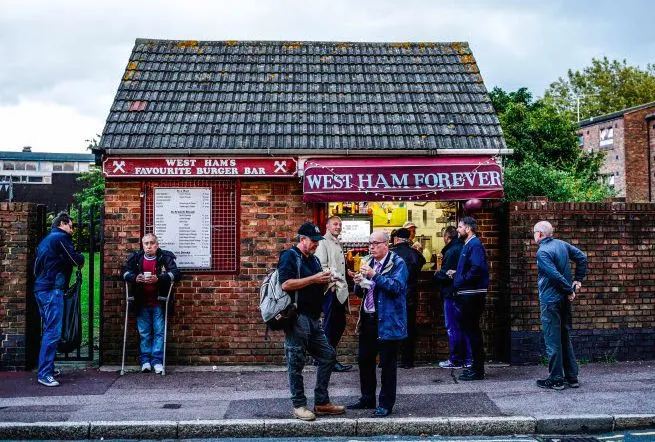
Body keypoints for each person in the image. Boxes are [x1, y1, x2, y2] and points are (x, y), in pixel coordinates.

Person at [278, 222, 345, 421]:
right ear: (302, 240)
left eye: (318, 241)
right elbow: (286, 284)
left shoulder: (314, 260)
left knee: (328, 355)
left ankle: (322, 402)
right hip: (297, 318)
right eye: (313, 241)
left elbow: (315, 285)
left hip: (315, 319)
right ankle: (299, 405)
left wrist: (328, 281)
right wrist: (315, 278)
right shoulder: (290, 256)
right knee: (296, 362)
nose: (316, 244)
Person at [348, 230, 408, 418]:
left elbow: (397, 288)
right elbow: (363, 292)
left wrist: (374, 276)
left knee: (387, 365)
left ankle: (385, 404)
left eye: (375, 243)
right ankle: (367, 398)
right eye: (370, 243)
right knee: (364, 360)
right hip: (368, 319)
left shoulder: (398, 263)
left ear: (386, 244)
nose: (371, 246)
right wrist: (359, 283)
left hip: (387, 320)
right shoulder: (368, 261)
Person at [533, 220, 587, 390]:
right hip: (564, 300)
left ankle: (556, 379)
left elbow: (554, 275)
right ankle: (572, 377)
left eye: (534, 232)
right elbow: (582, 257)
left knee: (552, 340)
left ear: (540, 234)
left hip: (551, 301)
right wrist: (577, 280)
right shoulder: (562, 245)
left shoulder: (542, 252)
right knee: (564, 336)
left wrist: (569, 290)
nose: (533, 236)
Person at [33, 212, 85, 387]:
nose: (72, 229)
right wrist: (82, 258)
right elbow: (75, 260)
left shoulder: (46, 240)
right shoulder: (60, 238)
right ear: (63, 223)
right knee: (52, 331)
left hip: (41, 289)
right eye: (71, 225)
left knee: (48, 329)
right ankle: (44, 373)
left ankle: (48, 367)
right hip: (52, 290)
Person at [122, 233, 181, 375]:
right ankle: (145, 361)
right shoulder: (136, 257)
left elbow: (176, 273)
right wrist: (135, 277)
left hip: (159, 301)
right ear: (142, 245)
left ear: (157, 244)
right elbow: (123, 273)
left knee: (159, 332)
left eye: (151, 243)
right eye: (146, 243)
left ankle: (157, 361)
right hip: (141, 301)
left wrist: (160, 278)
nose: (149, 246)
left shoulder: (165, 257)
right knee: (144, 333)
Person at [449, 216, 489, 381]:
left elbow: (477, 267)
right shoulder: (470, 244)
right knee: (471, 331)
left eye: (459, 227)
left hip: (471, 294)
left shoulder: (474, 244)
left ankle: (478, 370)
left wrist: (461, 279)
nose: (457, 230)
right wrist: (458, 275)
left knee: (472, 331)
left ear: (468, 228)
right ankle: (476, 367)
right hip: (469, 293)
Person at [314, 216, 352, 373]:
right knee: (332, 326)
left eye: (340, 224)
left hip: (340, 290)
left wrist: (347, 272)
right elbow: (321, 266)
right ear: (327, 226)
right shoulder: (323, 242)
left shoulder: (336, 242)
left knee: (338, 325)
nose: (338, 226)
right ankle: (327, 361)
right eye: (335, 224)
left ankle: (325, 358)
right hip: (333, 289)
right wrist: (333, 281)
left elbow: (336, 265)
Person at [433, 226, 471, 369]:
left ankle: (456, 359)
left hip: (451, 293)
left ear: (446, 237)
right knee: (464, 327)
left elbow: (446, 275)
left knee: (453, 327)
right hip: (462, 293)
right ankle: (468, 359)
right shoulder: (463, 247)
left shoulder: (451, 251)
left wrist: (437, 274)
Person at [391, 228, 426, 369]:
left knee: (391, 327)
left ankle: (388, 360)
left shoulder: (391, 253)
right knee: (409, 328)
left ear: (397, 239)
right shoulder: (415, 254)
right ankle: (408, 361)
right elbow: (423, 262)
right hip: (410, 296)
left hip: (394, 296)